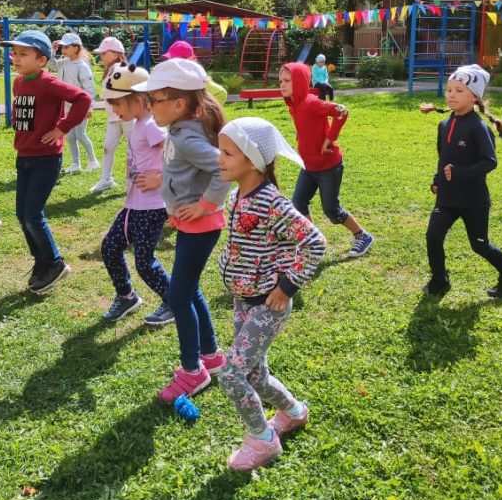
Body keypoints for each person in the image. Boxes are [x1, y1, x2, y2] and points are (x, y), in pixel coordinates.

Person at [216, 117, 326, 471]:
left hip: (267, 304)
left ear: (252, 159)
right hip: (242, 301)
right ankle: (294, 413)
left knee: (231, 375)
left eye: (228, 153)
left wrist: (287, 286)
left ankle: (262, 440)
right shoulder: (237, 196)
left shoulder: (270, 202)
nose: (220, 159)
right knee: (254, 376)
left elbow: (314, 242)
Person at [132, 59, 230, 403]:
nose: (148, 106)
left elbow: (224, 168)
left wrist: (204, 205)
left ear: (178, 104)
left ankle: (193, 371)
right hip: (190, 224)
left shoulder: (187, 136)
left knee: (178, 295)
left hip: (201, 224)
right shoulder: (178, 129)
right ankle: (212, 356)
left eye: (153, 100)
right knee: (188, 291)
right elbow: (179, 170)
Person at [0, 30, 93, 295]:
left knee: (32, 214)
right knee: (22, 214)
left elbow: (83, 99)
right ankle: (40, 261)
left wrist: (62, 128)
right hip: (25, 156)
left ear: (41, 61)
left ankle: (54, 262)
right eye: (14, 53)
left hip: (46, 158)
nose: (15, 58)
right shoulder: (20, 83)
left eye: (23, 54)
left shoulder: (47, 82)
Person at [422, 64, 502, 298]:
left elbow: (489, 162)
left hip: (473, 200)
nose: (452, 95)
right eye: (449, 90)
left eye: (459, 90)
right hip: (447, 197)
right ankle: (440, 280)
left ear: (474, 97)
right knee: (433, 236)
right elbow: (443, 158)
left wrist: (459, 172)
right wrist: (438, 179)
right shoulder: (444, 124)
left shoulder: (478, 127)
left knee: (479, 245)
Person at [99, 63, 174, 326]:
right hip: (134, 205)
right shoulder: (140, 123)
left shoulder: (152, 124)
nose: (114, 110)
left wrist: (161, 179)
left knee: (144, 262)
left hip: (151, 207)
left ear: (137, 100)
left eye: (117, 104)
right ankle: (126, 296)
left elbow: (176, 153)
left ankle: (173, 301)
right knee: (110, 247)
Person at [279, 62, 374, 258]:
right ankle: (314, 242)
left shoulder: (311, 102)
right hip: (308, 166)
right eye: (280, 81)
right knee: (298, 204)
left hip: (328, 166)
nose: (282, 84)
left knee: (332, 210)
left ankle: (362, 236)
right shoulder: (293, 105)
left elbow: (341, 111)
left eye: (287, 80)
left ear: (300, 81)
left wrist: (330, 138)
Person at [50, 32, 98, 174]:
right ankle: (75, 164)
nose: (63, 49)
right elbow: (52, 65)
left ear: (76, 48)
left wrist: (89, 106)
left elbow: (90, 88)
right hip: (66, 106)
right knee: (70, 136)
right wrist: (53, 50)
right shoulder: (64, 62)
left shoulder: (82, 66)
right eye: (62, 46)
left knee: (80, 135)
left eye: (66, 47)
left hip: (80, 106)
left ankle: (93, 161)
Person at [90, 36, 131, 193]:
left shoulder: (120, 69)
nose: (101, 56)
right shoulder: (110, 70)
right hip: (113, 118)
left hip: (127, 117)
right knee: (108, 147)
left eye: (104, 53)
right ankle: (106, 179)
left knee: (133, 150)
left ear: (115, 54)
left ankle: (133, 182)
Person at [162, 38, 229, 105]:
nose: (170, 63)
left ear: (187, 62)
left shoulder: (198, 78)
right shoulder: (170, 77)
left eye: (175, 61)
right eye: (170, 60)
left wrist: (202, 110)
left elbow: (221, 93)